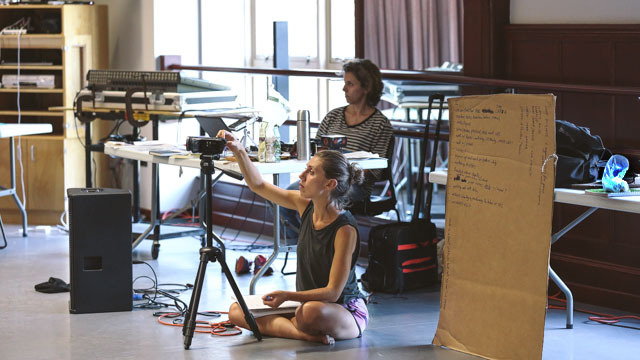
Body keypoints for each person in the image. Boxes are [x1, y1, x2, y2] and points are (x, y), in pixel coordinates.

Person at [218, 129, 369, 345]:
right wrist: (240, 150)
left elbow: (333, 292)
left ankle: (297, 326)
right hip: (305, 305)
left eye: (311, 172)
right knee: (236, 312)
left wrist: (288, 296)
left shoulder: (345, 229)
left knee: (310, 313)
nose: (301, 176)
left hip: (343, 309)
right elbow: (258, 185)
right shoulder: (303, 205)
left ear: (330, 184)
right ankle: (303, 334)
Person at [281, 58, 394, 245]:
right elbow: (316, 152)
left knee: (312, 198)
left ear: (366, 87)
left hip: (353, 184)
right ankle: (303, 246)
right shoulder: (333, 116)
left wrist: (342, 170)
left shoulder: (380, 124)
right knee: (281, 202)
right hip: (321, 179)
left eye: (350, 84)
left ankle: (316, 247)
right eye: (345, 83)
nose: (344, 89)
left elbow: (377, 171)